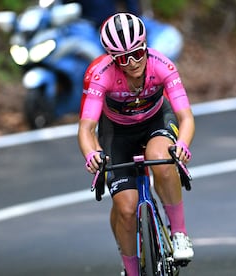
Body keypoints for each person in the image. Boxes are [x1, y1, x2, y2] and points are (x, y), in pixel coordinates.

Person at [77, 13, 195, 276]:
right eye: (122, 58)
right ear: (111, 56)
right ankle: (130, 269)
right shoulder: (100, 74)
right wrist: (92, 154)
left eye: (137, 53)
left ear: (145, 46)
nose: (131, 63)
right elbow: (86, 128)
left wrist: (183, 144)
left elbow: (185, 116)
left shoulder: (162, 64)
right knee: (126, 208)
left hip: (156, 121)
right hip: (116, 132)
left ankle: (179, 233)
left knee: (161, 158)